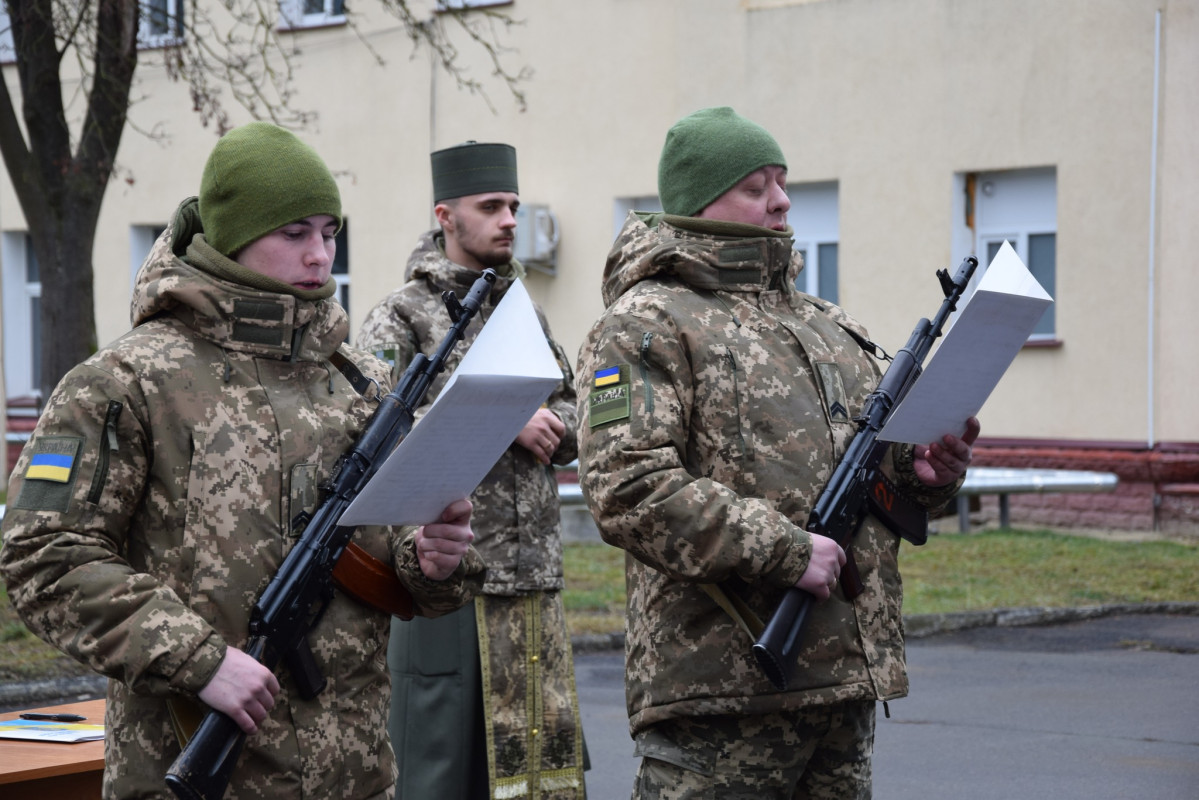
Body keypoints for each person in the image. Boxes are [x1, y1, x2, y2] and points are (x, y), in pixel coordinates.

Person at [0, 122, 486, 799]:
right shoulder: (126, 380)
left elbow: (387, 555)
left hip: (355, 776)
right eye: (293, 234)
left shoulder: (358, 381)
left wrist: (430, 556)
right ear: (231, 236)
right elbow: (41, 553)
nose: (319, 255)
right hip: (194, 769)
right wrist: (197, 660)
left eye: (329, 232)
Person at [575, 106, 981, 799]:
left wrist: (920, 478)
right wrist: (787, 550)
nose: (782, 200)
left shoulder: (825, 324)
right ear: (701, 201)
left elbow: (872, 474)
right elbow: (628, 486)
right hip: (721, 689)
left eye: (782, 181)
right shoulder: (645, 322)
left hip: (839, 683)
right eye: (756, 186)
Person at [356, 141, 585, 799]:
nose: (509, 218)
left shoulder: (523, 311)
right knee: (439, 772)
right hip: (447, 580)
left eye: (513, 205)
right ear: (445, 216)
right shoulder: (400, 314)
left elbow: (568, 410)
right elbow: (373, 424)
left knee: (535, 780)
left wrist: (554, 421)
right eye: (491, 206)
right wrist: (500, 415)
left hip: (532, 576)